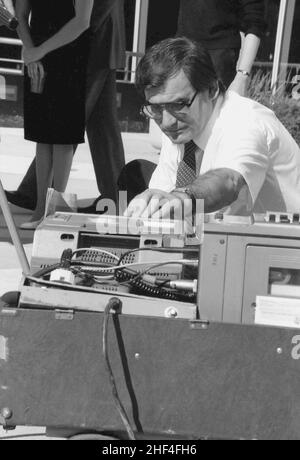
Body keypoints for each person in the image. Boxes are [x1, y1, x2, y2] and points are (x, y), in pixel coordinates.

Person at [122, 37, 300, 220]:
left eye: (179, 104)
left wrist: (184, 197)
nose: (166, 122)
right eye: (157, 108)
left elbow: (229, 181)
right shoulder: (181, 126)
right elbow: (164, 196)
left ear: (212, 89)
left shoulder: (246, 121)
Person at [6, 0, 126, 214]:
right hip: (90, 42)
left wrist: (69, 36)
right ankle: (116, 198)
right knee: (100, 125)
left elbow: (86, 17)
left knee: (61, 127)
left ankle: (41, 198)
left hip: (87, 43)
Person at [16, 0, 94, 228]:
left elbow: (82, 22)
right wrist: (31, 52)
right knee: (42, 136)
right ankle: (41, 208)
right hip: (37, 56)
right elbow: (19, 16)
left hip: (70, 57)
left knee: (63, 137)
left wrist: (38, 51)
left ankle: (55, 210)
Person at [177, 0, 266, 95]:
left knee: (218, 108)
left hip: (218, 56)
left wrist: (242, 77)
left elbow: (255, 22)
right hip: (181, 50)